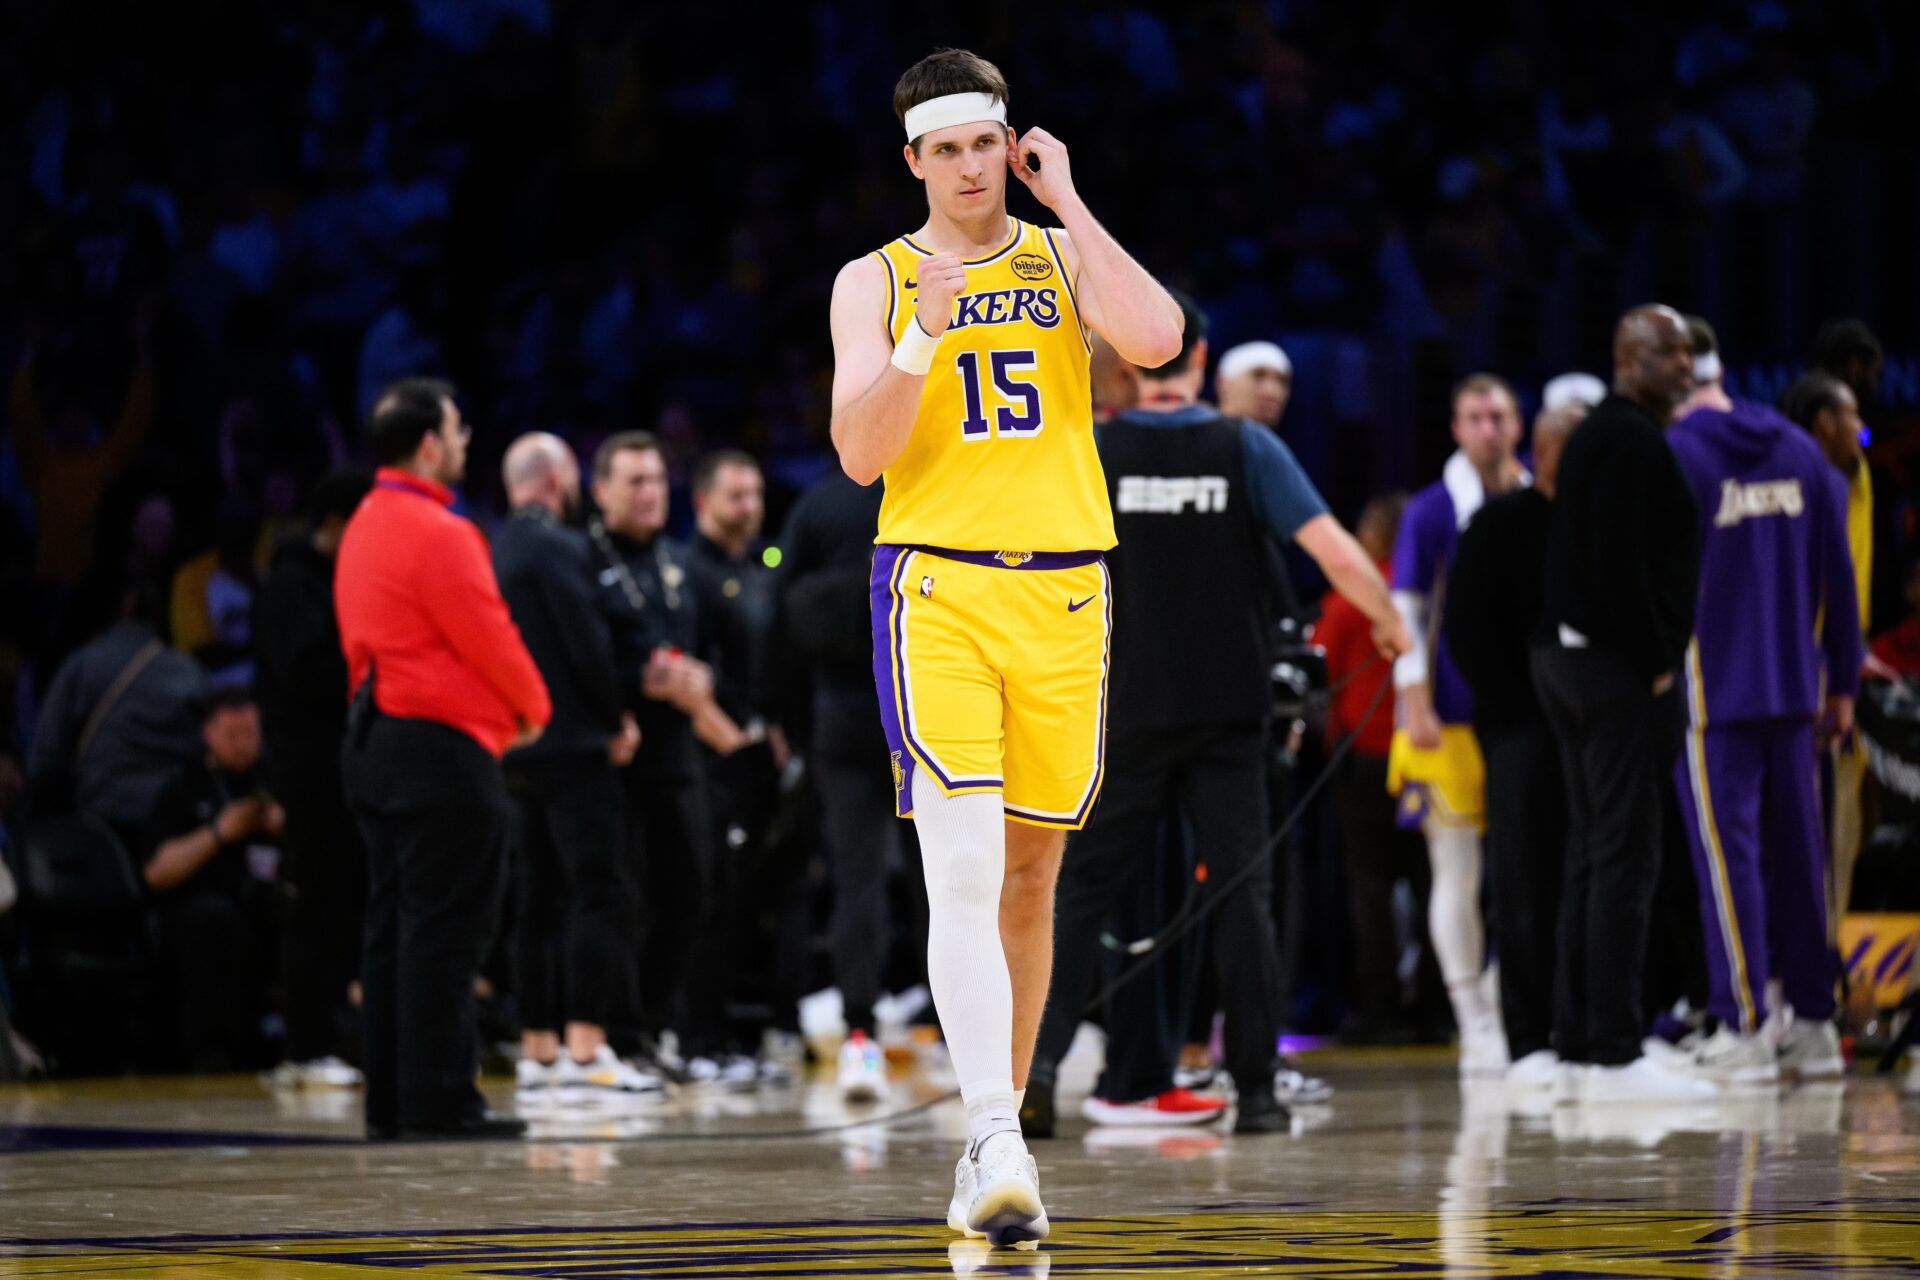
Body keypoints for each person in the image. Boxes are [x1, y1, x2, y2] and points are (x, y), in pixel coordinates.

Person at [827, 48, 1182, 1245]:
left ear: (1009, 142)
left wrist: (1071, 203)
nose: (971, 168)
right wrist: (922, 337)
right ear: (914, 159)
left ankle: (1003, 1119)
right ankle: (993, 1134)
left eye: (988, 144)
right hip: (936, 587)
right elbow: (860, 455)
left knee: (1033, 876)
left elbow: (1160, 340)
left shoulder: (1058, 250)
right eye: (948, 150)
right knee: (964, 867)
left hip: (1068, 591)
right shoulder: (871, 279)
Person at [1027, 292, 1410, 1135]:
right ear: (1202, 360)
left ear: (1130, 363)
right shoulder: (1245, 447)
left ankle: (1038, 1082)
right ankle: (1260, 1094)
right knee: (1244, 900)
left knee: (1078, 898)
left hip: (1122, 711)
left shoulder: (1094, 446)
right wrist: (1388, 618)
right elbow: (1333, 550)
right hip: (1230, 716)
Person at [336, 377, 550, 1140]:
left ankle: (392, 1102)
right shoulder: (440, 529)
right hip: (439, 750)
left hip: (373, 740)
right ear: (430, 444)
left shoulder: (364, 521)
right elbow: (488, 634)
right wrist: (533, 708)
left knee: (392, 929)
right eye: (458, 429)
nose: (465, 442)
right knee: (448, 932)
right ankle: (440, 1102)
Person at [1666, 324, 1860, 1083]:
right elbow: (1839, 576)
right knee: (1800, 860)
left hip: (1713, 693)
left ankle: (1745, 1025)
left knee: (1729, 861)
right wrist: (1840, 679)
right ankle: (1813, 1025)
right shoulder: (1800, 449)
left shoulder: (1679, 454)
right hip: (1797, 691)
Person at [1535, 304, 1710, 1103]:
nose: (1685, 363)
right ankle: (1611, 1045)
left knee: (1591, 848)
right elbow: (1619, 568)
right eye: (1669, 351)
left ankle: (1579, 1036)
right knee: (1626, 852)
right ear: (1627, 357)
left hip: (1576, 663)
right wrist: (1658, 662)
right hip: (1613, 671)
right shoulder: (1629, 439)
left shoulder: (1606, 435)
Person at [493, 433, 658, 1102]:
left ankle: (537, 1051)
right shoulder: (560, 548)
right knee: (598, 890)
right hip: (572, 745)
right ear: (558, 482)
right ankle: (586, 1050)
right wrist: (614, 715)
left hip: (515, 747)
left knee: (536, 897)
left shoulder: (492, 548)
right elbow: (585, 643)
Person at [588, 431, 748, 1084]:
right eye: (634, 481)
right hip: (618, 761)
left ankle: (652, 1029)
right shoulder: (585, 561)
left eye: (657, 480)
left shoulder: (679, 564)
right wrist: (636, 682)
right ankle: (617, 1035)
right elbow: (581, 653)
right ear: (601, 491)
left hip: (681, 760)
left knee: (689, 899)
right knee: (624, 902)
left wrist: (702, 683)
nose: (650, 493)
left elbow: (708, 652)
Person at [1386, 373, 1529, 1076]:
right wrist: (1412, 695)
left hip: (1523, 713)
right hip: (1444, 718)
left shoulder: (1537, 499)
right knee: (1456, 869)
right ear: (1455, 427)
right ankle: (1472, 1016)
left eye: (1498, 414)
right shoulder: (1432, 509)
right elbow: (1405, 606)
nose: (1488, 428)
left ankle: (1511, 1005)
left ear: (1518, 423)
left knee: (1527, 868)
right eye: (1474, 416)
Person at [1444, 402, 1584, 1091]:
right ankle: (1527, 1036)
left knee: (1595, 873)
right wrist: (1518, 706)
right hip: (1521, 732)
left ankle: (1598, 1029)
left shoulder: (1598, 527)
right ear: (1548, 452)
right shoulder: (1497, 525)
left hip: (1595, 731)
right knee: (1523, 882)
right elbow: (1464, 631)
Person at [771, 467, 923, 1103]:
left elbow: (778, 621)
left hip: (843, 720)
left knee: (859, 880)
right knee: (943, 879)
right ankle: (945, 1033)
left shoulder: (818, 507)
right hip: (923, 713)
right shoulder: (931, 481)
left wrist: (789, 725)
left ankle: (861, 1034)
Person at [254, 469, 372, 1090]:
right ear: (333, 522)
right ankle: (305, 1046)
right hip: (311, 769)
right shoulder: (291, 586)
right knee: (316, 901)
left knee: (343, 900)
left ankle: (330, 1036)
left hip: (346, 765)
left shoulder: (327, 581)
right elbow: (308, 673)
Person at [1322, 495, 1444, 1045]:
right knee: (1434, 882)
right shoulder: (1429, 598)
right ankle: (1437, 1009)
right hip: (1427, 755)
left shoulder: (1349, 601)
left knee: (1369, 889)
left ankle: (1380, 1012)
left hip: (1366, 763)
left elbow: (1322, 678)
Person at [1780, 370, 1874, 953]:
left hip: (1779, 684)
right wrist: (1840, 679)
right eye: (1853, 417)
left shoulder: (1848, 481)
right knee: (1811, 845)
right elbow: (1835, 592)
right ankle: (1807, 989)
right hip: (1807, 689)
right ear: (1824, 421)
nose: (1862, 431)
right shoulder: (1823, 486)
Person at [142, 689, 283, 1069]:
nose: (243, 744)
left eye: (250, 733)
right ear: (208, 732)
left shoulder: (276, 781)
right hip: (205, 915)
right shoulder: (183, 788)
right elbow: (156, 872)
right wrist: (219, 833)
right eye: (232, 734)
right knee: (211, 919)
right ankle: (214, 1053)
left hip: (271, 906)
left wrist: (288, 831)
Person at [27, 586, 207, 845]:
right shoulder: (188, 671)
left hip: (101, 816)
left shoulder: (83, 664)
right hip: (176, 822)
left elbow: (45, 755)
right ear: (159, 616)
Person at [1214, 341, 1292, 431]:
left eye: (1282, 381)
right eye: (1258, 375)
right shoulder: (1196, 438)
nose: (1271, 391)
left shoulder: (1275, 444)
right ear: (1223, 382)